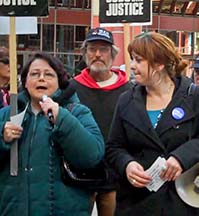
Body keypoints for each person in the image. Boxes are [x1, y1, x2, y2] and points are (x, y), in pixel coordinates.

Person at [106, 32, 199, 216]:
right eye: (132, 60)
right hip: (136, 204)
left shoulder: (197, 97)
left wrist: (181, 158)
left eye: (138, 60)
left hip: (183, 203)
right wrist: (127, 165)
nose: (133, 66)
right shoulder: (126, 100)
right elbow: (114, 147)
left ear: (159, 64)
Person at [0, 52, 104, 215]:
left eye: (48, 74)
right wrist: (2, 137)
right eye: (34, 74)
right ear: (25, 82)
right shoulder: (7, 114)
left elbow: (92, 156)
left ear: (59, 82)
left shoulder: (77, 113)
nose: (41, 78)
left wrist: (62, 119)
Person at [71, 27, 131, 216]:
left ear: (112, 54)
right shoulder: (71, 88)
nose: (97, 54)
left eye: (103, 49)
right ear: (85, 53)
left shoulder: (129, 91)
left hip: (115, 174)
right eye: (92, 49)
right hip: (79, 174)